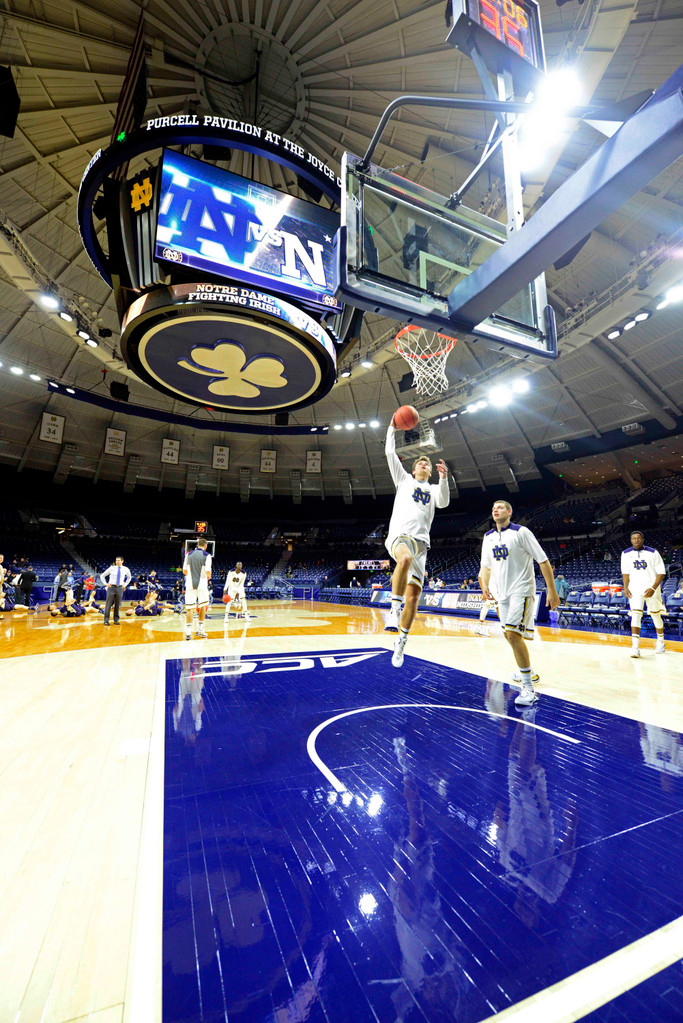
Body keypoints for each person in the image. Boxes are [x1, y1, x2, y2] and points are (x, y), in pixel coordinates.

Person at [479, 500, 560, 707]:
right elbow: (486, 566)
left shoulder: (521, 532)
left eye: (500, 507)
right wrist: (484, 585)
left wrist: (552, 591)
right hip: (502, 594)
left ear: (509, 512)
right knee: (509, 635)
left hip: (521, 590)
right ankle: (529, 672)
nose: (495, 509)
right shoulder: (488, 538)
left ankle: (528, 689)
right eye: (493, 507)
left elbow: (543, 560)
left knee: (513, 634)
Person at [383, 416, 450, 667]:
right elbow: (390, 452)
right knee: (404, 557)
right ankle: (393, 610)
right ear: (413, 469)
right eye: (420, 462)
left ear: (430, 471)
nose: (423, 463)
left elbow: (443, 502)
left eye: (427, 463)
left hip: (422, 544)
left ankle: (401, 641)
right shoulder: (404, 481)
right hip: (400, 537)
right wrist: (392, 428)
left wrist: (444, 479)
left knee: (414, 598)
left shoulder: (434, 489)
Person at [621, 531, 666, 657]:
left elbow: (661, 572)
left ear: (642, 539)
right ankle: (635, 647)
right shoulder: (625, 554)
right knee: (635, 614)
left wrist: (653, 587)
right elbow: (625, 572)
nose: (636, 540)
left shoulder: (653, 552)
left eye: (638, 538)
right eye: (634, 538)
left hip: (651, 588)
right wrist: (625, 587)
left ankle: (661, 642)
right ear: (631, 540)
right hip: (635, 588)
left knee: (656, 615)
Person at [183, 539, 212, 639]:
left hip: (190, 584)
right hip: (202, 585)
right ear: (205, 545)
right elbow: (208, 572)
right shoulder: (207, 555)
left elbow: (184, 571)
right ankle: (200, 629)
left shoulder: (188, 554)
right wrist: (209, 577)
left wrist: (191, 576)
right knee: (203, 606)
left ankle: (188, 632)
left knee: (189, 609)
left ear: (198, 544)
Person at [100, 556, 131, 625]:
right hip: (111, 588)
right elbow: (102, 575)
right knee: (108, 604)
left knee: (117, 605)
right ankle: (106, 620)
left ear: (122, 561)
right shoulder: (112, 568)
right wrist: (105, 583)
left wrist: (125, 585)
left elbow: (129, 577)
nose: (117, 561)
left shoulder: (125, 569)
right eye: (116, 560)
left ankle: (116, 620)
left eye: (119, 560)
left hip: (120, 588)